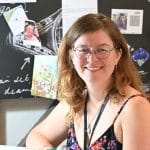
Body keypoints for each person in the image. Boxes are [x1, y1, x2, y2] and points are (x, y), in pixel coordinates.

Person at [26, 13, 150, 150]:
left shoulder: (135, 107)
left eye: (102, 50)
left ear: (117, 56)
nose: (92, 58)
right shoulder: (76, 100)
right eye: (83, 50)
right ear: (71, 56)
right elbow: (35, 136)